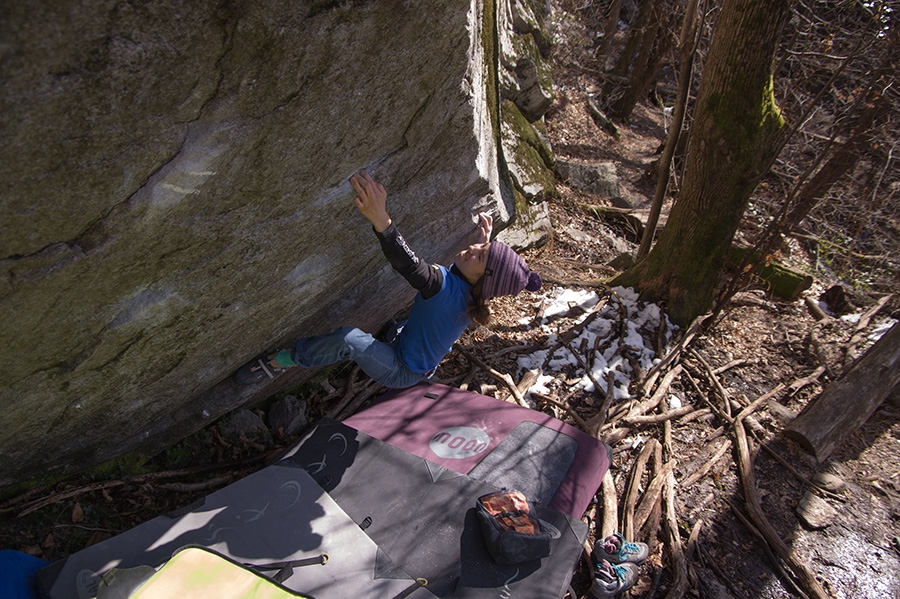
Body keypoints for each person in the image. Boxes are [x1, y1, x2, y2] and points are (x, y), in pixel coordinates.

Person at [235, 170, 542, 389]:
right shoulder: (477, 292)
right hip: (407, 341)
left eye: (480, 256)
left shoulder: (443, 286)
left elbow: (408, 264)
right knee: (394, 328)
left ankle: (281, 361)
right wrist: (485, 240)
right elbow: (481, 273)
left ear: (483, 280)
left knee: (349, 339)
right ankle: (391, 336)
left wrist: (381, 219)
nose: (473, 249)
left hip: (402, 370)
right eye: (481, 248)